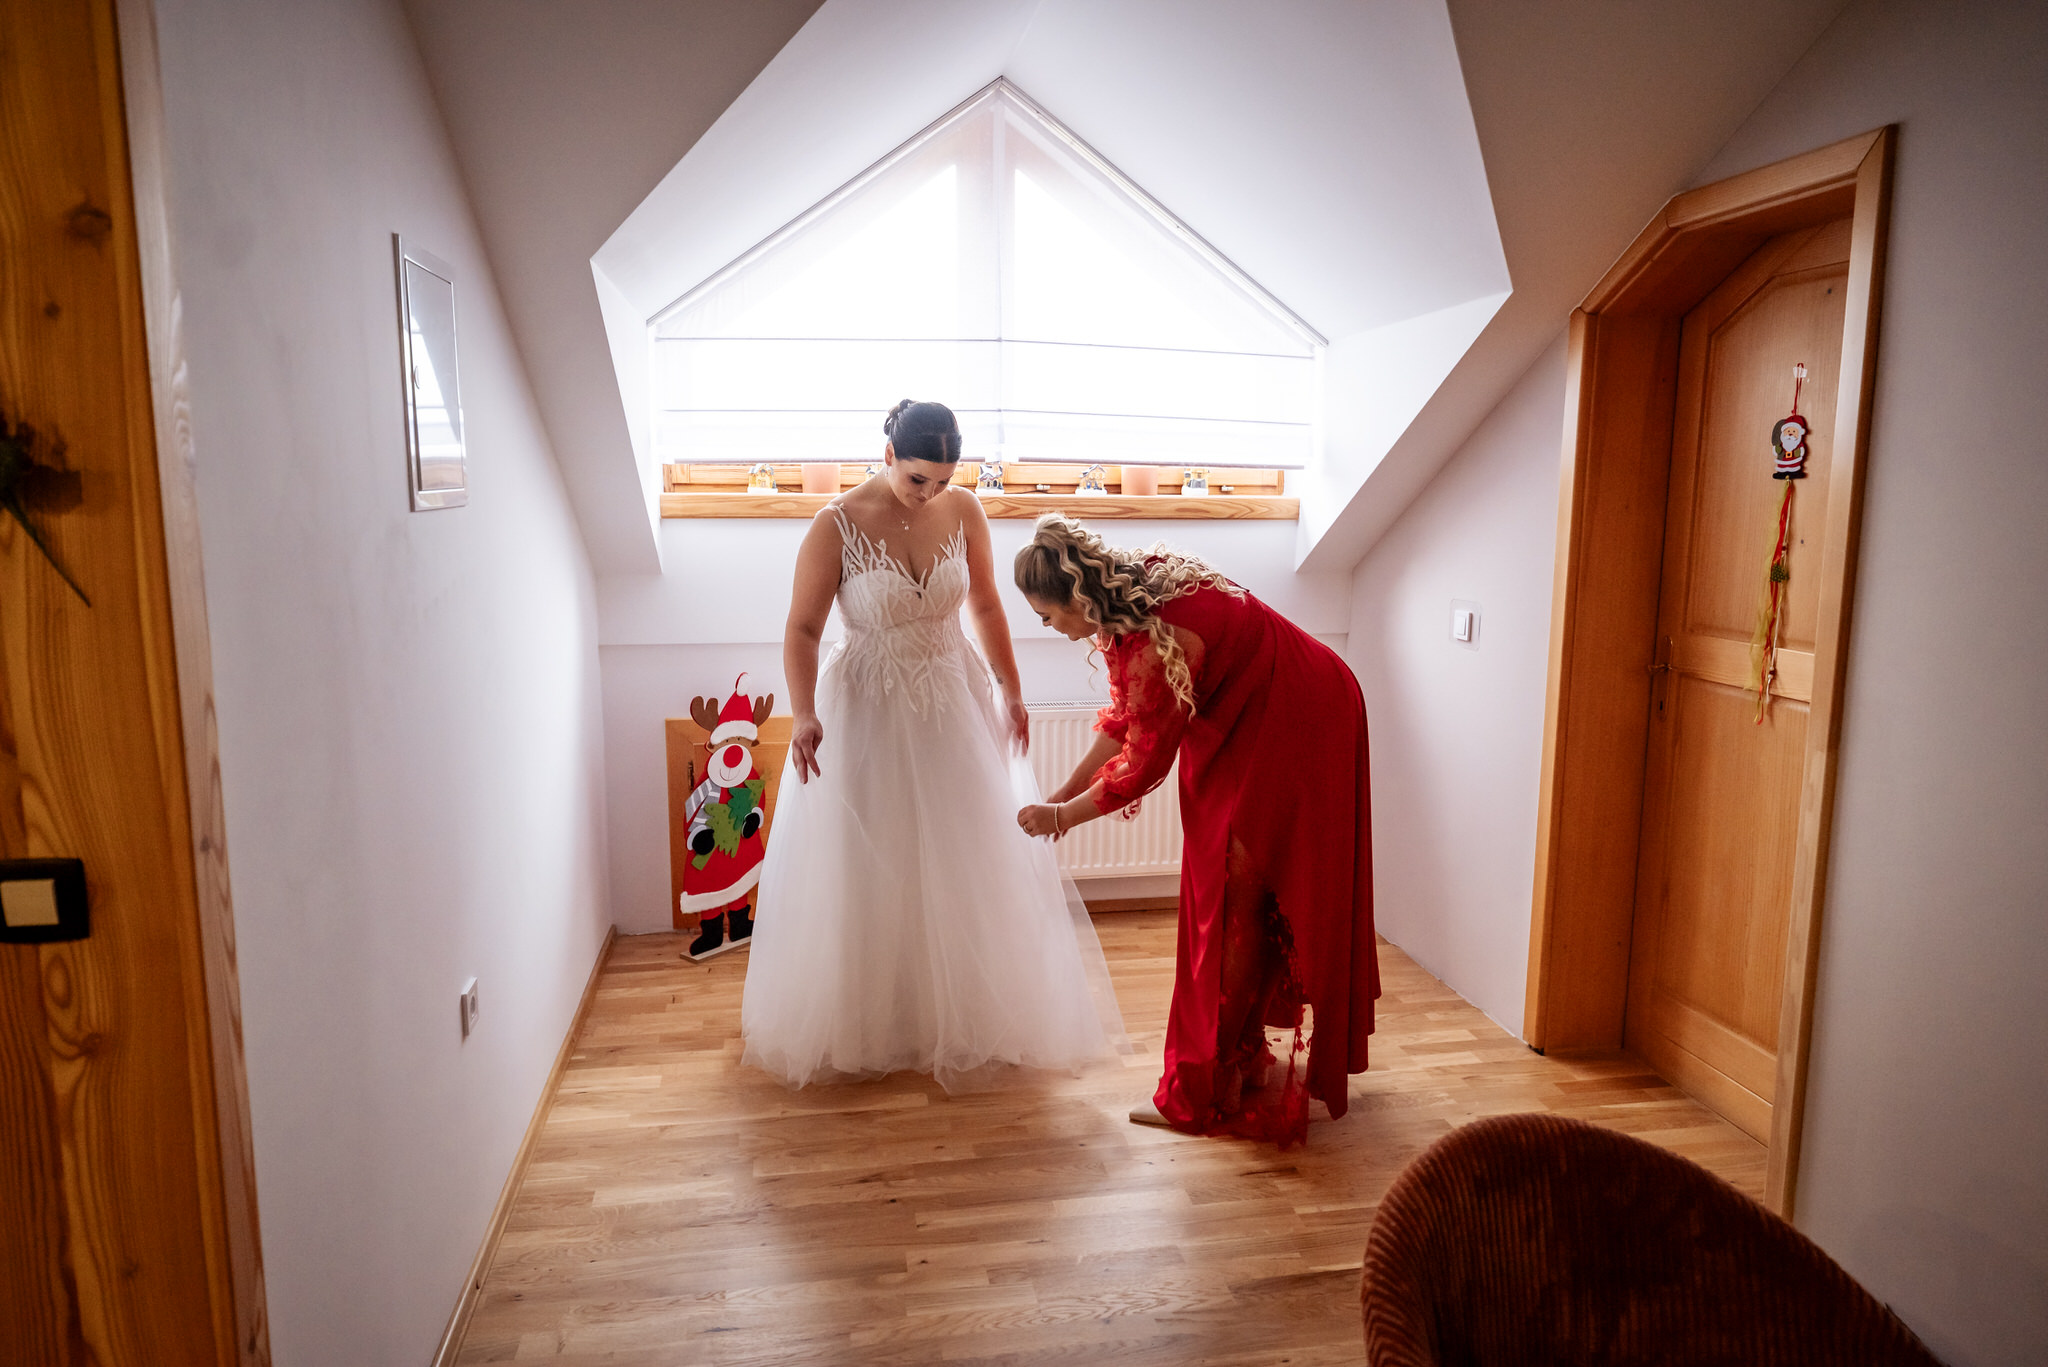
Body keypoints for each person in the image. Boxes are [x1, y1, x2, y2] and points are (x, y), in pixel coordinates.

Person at [741, 403, 1122, 1089]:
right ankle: (877, 1015)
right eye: (919, 479)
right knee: (874, 858)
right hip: (869, 704)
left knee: (962, 849)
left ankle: (964, 1011)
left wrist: (1010, 688)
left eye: (944, 480)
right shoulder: (835, 524)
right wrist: (802, 714)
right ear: (888, 453)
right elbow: (802, 629)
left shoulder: (964, 509)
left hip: (952, 695)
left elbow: (985, 604)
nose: (931, 493)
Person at [1013, 514, 1376, 1146]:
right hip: (1279, 702)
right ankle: (1237, 1061)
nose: (1049, 628)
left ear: (1077, 598)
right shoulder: (1130, 596)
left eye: (1046, 617)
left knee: (1229, 905)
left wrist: (1064, 818)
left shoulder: (1153, 639)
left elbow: (1143, 765)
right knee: (1238, 899)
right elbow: (1125, 720)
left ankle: (1202, 1086)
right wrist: (1061, 796)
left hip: (1298, 718)